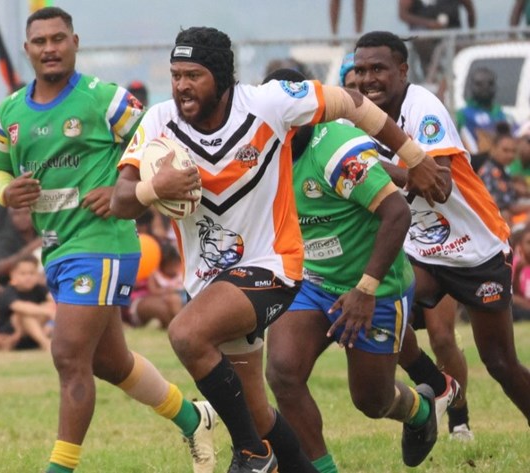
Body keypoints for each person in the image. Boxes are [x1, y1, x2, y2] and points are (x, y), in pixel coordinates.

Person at [110, 25, 445, 473]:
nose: (182, 86)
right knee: (260, 410)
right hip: (210, 283)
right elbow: (120, 201)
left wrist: (415, 156)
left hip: (274, 267)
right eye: (175, 75)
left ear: (222, 77)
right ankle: (277, 454)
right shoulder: (158, 123)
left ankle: (250, 454)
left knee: (186, 334)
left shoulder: (269, 103)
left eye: (193, 75)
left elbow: (353, 104)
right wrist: (156, 186)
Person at [0, 8, 217, 473]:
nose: (50, 48)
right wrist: (4, 190)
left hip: (104, 244)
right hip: (57, 249)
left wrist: (127, 190)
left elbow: (161, 143)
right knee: (111, 362)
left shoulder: (104, 100)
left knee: (68, 355)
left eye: (58, 38)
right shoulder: (9, 111)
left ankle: (59, 468)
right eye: (40, 41)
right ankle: (194, 417)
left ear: (75, 42)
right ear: (27, 49)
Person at [264, 66, 449, 471]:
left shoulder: (335, 150)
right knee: (282, 372)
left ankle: (420, 411)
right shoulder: (263, 152)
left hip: (375, 288)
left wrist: (365, 290)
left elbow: (397, 214)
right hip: (313, 282)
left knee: (372, 401)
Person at [352, 30, 530, 434]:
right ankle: (437, 389)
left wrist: (369, 168)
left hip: (477, 250)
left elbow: (438, 184)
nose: (367, 79)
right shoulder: (361, 117)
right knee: (382, 316)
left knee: (500, 363)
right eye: (360, 70)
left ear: (402, 70)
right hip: (422, 252)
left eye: (378, 69)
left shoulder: (423, 107)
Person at [398, 0, 476, 82]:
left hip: (453, 38)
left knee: (455, 60)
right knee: (423, 43)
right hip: (426, 42)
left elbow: (470, 10)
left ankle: (448, 80)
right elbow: (403, 14)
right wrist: (429, 24)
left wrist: (471, 38)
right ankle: (431, 79)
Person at [0, 254, 55, 351]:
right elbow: (20, 307)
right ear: (13, 275)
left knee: (49, 305)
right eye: (23, 274)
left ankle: (46, 338)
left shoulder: (40, 289)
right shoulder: (8, 292)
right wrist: (48, 312)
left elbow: (55, 301)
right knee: (25, 314)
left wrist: (50, 323)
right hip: (12, 337)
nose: (28, 277)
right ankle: (46, 343)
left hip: (33, 336)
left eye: (32, 273)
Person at [456, 67, 512, 155]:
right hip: (475, 160)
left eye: (490, 83)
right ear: (471, 86)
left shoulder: (500, 113)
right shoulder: (463, 114)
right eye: (479, 84)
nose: (485, 87)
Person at [477, 133, 530, 224]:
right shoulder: (489, 172)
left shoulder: (501, 169)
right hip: (500, 223)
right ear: (493, 149)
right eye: (505, 150)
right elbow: (509, 207)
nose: (510, 155)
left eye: (513, 151)